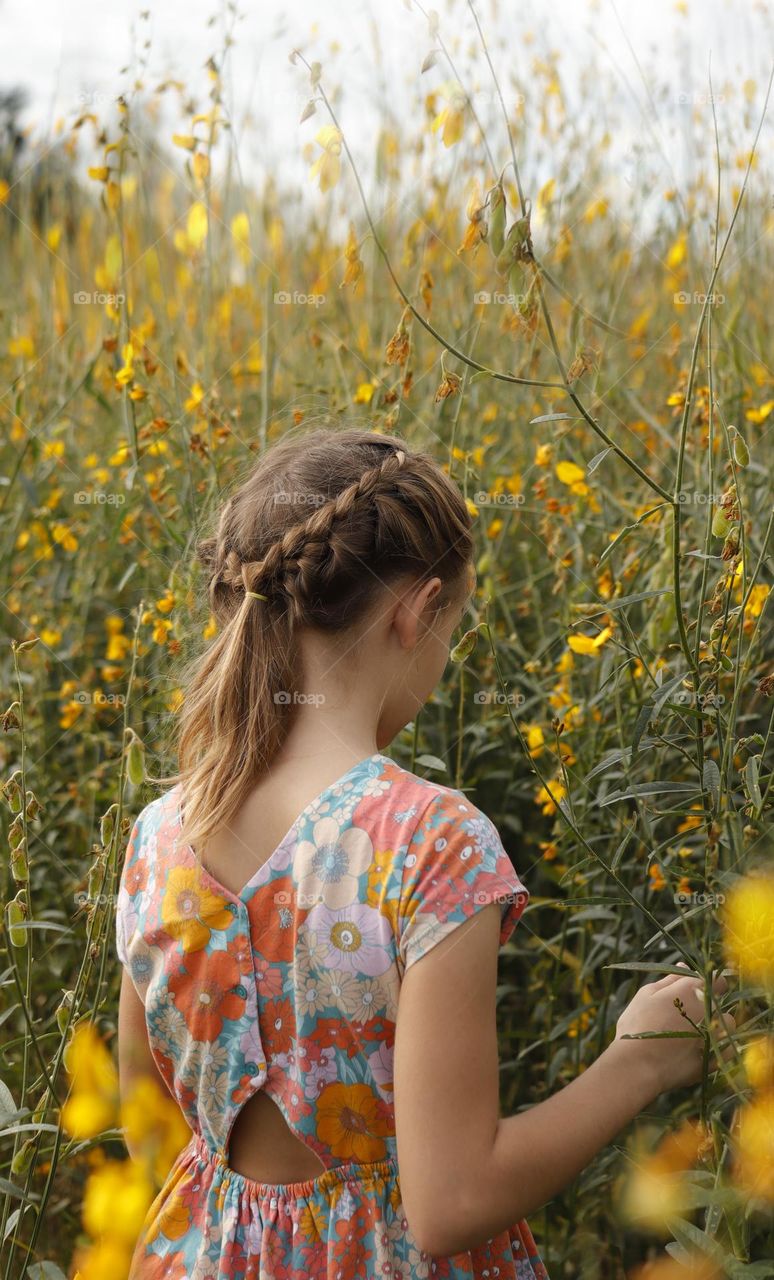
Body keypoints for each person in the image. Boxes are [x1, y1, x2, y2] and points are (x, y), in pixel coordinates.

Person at [115, 425, 732, 1279]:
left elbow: (143, 1120)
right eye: (455, 629)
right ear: (417, 610)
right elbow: (452, 1204)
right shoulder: (429, 841)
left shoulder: (158, 835)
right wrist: (640, 1060)